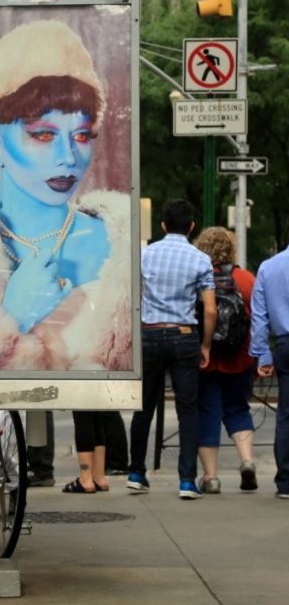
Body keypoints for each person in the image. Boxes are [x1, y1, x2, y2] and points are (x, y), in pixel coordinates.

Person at [0, 19, 131, 371]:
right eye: (44, 135)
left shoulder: (119, 245)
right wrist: (11, 315)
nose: (68, 157)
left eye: (81, 135)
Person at [129, 199, 215, 500]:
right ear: (191, 226)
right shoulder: (200, 259)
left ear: (163, 225)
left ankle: (136, 473)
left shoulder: (144, 255)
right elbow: (210, 309)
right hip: (184, 336)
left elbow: (133, 297)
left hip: (149, 334)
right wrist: (205, 345)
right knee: (187, 410)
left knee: (144, 407)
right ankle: (187, 481)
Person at [194, 227, 258, 493]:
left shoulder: (198, 276)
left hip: (206, 359)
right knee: (238, 408)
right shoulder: (246, 279)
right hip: (240, 357)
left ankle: (211, 477)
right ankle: (247, 460)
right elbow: (257, 318)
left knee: (207, 412)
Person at [249, 240, 289, 500]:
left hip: (285, 343)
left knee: (286, 414)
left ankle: (286, 481)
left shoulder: (269, 267)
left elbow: (259, 316)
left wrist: (263, 354)